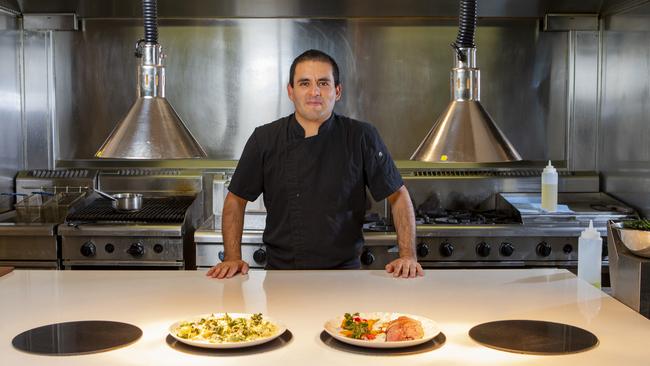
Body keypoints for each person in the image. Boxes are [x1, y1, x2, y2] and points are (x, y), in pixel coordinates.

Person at [207, 49, 423, 279]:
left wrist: (408, 255)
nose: (314, 92)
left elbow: (398, 196)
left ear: (337, 91)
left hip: (345, 276)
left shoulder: (361, 136)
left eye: (323, 83)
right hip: (282, 277)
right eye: (304, 83)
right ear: (290, 91)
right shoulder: (265, 139)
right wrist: (232, 257)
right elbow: (235, 200)